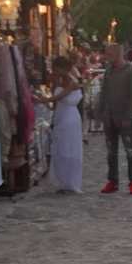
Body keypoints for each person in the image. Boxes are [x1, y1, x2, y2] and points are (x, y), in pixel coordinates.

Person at [98, 43, 132, 195]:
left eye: (109, 54)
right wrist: (100, 113)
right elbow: (104, 93)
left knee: (129, 151)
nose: (106, 57)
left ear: (117, 54)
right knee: (111, 151)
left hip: (125, 118)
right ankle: (113, 180)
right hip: (109, 117)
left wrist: (128, 116)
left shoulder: (131, 71)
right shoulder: (108, 71)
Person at [47, 56, 85, 192]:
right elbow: (54, 103)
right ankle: (61, 180)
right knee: (60, 148)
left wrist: (44, 99)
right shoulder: (58, 81)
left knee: (69, 148)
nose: (54, 71)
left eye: (56, 69)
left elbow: (59, 96)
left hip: (70, 117)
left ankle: (70, 181)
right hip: (60, 115)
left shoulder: (72, 82)